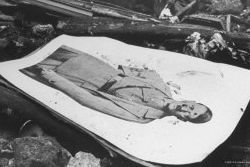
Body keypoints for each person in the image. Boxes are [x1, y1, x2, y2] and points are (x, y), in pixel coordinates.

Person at [22, 45, 212, 124]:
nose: (186, 108)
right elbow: (146, 72)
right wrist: (121, 71)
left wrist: (53, 78)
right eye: (191, 105)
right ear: (190, 100)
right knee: (41, 46)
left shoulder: (142, 117)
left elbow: (90, 101)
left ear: (183, 119)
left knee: (26, 62)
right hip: (95, 66)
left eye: (189, 113)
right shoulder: (162, 86)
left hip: (82, 81)